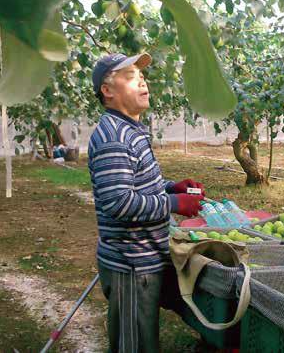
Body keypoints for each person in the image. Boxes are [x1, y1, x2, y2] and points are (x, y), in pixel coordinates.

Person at [87, 52, 205, 352]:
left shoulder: (131, 130)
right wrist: (174, 203)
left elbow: (138, 183)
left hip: (147, 258)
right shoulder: (115, 136)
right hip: (131, 266)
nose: (142, 81)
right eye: (130, 76)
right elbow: (120, 203)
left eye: (141, 76)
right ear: (108, 91)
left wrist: (171, 187)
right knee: (135, 345)